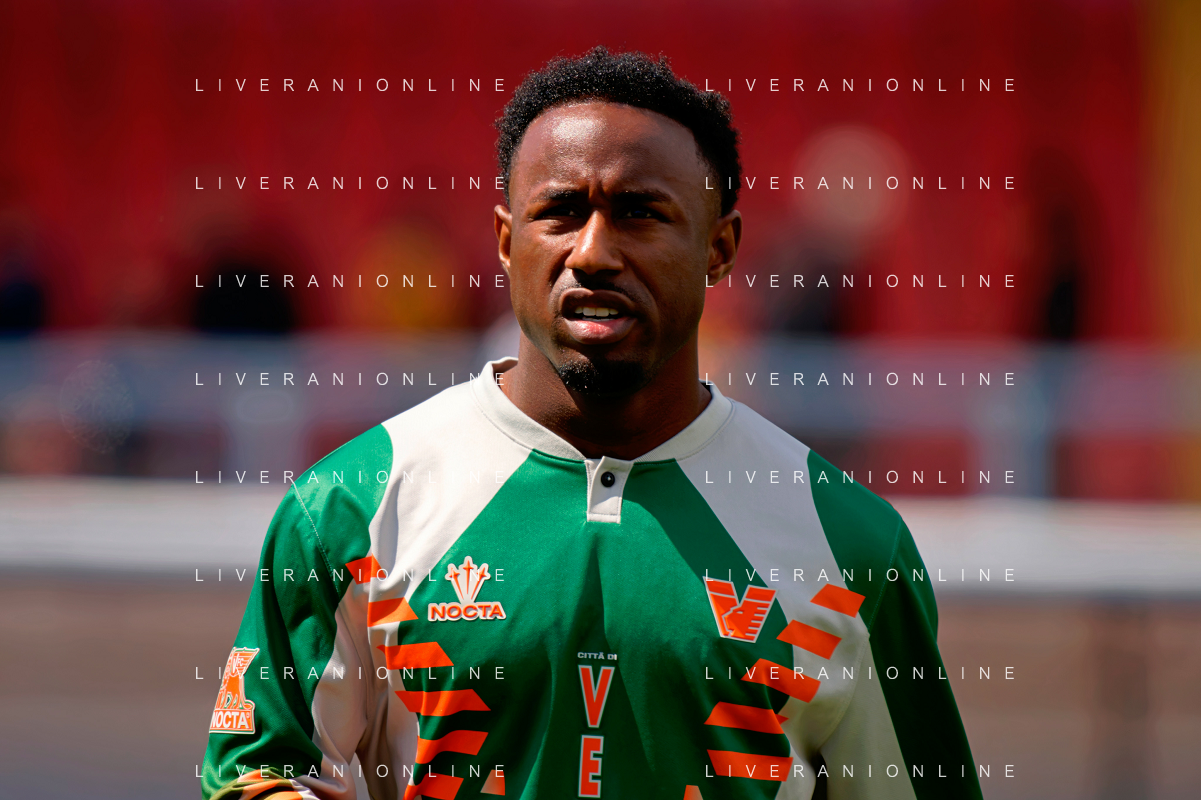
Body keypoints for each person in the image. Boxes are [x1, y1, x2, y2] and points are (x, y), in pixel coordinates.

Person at [202, 46, 981, 800]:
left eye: (640, 214)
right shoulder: (348, 509)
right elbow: (256, 772)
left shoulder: (849, 542)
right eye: (559, 212)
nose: (594, 253)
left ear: (719, 248)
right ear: (506, 242)